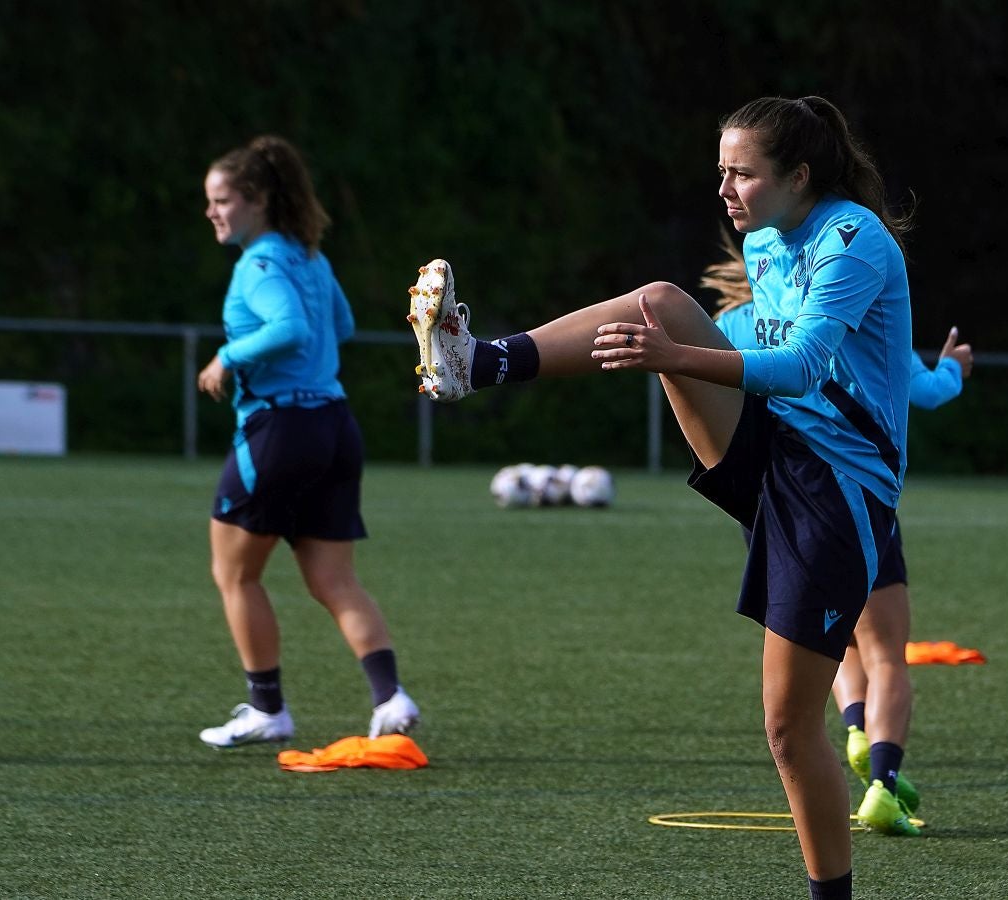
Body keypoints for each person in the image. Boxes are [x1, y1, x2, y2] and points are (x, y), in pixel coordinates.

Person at [407, 96, 913, 900]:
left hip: (835, 494)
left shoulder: (853, 238)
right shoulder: (769, 241)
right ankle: (480, 364)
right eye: (720, 171)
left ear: (801, 175)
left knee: (788, 731)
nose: (724, 189)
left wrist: (673, 357)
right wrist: (679, 349)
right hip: (777, 452)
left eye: (741, 173)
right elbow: (757, 350)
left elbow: (808, 366)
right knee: (659, 299)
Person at [700, 235, 975, 836]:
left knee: (835, 644)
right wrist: (954, 367)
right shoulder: (850, 318)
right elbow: (924, 391)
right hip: (844, 500)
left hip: (771, 504)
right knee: (885, 653)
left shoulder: (734, 324)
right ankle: (882, 782)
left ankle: (852, 722)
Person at [196, 135, 419, 748]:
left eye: (221, 201)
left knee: (234, 574)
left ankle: (267, 709)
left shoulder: (260, 262)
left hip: (282, 428)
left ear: (258, 200)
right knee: (333, 578)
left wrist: (226, 356)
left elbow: (290, 328)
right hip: (335, 426)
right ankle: (391, 699)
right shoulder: (309, 256)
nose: (212, 212)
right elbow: (339, 324)